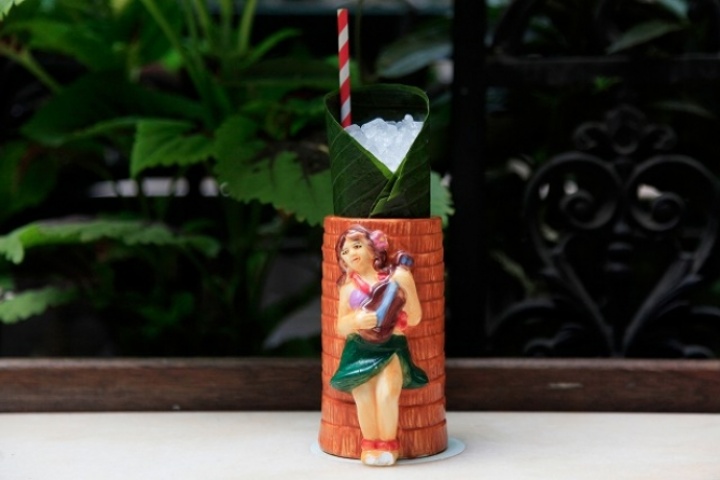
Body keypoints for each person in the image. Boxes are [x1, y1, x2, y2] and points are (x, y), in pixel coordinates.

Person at [330, 225, 428, 466]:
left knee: (387, 393)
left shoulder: (396, 279)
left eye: (357, 246)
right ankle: (370, 445)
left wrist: (405, 289)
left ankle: (388, 444)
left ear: (373, 249)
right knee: (363, 396)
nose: (351, 254)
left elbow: (415, 318)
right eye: (344, 251)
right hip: (359, 347)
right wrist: (356, 320)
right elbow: (340, 326)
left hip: (391, 344)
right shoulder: (348, 289)